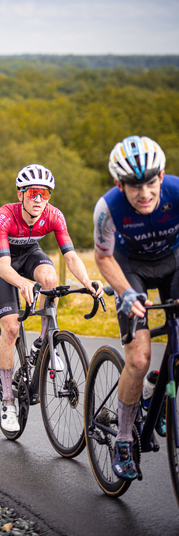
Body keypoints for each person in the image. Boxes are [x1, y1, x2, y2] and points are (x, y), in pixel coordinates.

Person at [0, 164, 103, 432]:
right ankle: (7, 399)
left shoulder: (54, 216)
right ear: (21, 194)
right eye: (33, 193)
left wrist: (86, 281)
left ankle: (43, 343)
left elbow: (71, 256)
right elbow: (4, 268)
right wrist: (22, 283)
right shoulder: (4, 216)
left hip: (30, 253)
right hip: (2, 262)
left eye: (45, 194)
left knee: (51, 280)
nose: (39, 199)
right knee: (12, 327)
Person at [93, 135, 178, 480]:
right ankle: (125, 439)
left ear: (161, 176)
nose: (144, 193)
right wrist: (126, 292)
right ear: (119, 183)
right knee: (139, 357)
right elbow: (103, 256)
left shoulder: (176, 192)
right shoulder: (108, 209)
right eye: (133, 185)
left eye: (150, 182)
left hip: (174, 260)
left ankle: (161, 386)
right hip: (131, 268)